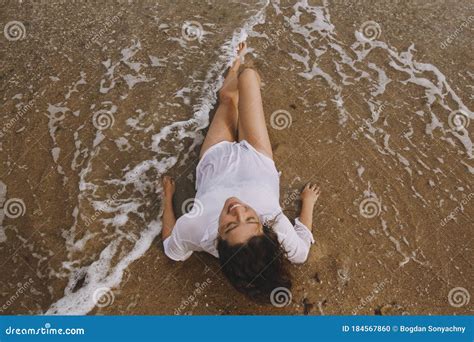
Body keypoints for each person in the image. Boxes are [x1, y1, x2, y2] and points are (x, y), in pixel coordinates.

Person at [160, 42, 321, 302]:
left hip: (216, 159)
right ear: (264, 230)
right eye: (251, 220)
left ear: (218, 240)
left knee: (228, 98)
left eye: (231, 225)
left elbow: (170, 247)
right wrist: (308, 204)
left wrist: (167, 199)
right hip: (257, 156)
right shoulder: (275, 226)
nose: (238, 210)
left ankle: (233, 65)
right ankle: (238, 65)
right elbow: (302, 248)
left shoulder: (196, 228)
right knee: (248, 77)